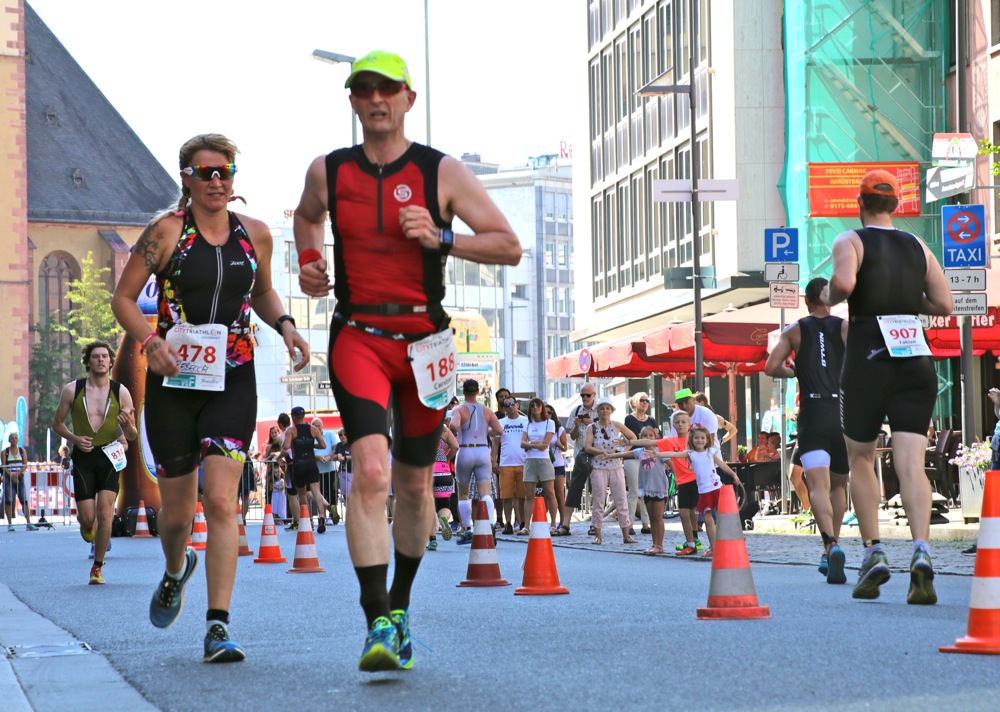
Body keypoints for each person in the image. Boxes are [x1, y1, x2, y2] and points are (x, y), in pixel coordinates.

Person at [292, 49, 521, 672]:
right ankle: (376, 621)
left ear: (408, 99)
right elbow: (307, 220)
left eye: (386, 89)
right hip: (359, 334)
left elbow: (509, 246)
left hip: (424, 343)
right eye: (363, 89)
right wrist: (312, 266)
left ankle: (400, 606)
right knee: (370, 470)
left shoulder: (440, 172)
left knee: (415, 484)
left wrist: (444, 237)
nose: (375, 99)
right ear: (352, 101)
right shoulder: (328, 170)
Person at [111, 133, 310, 662]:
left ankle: (217, 625)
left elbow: (263, 292)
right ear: (187, 178)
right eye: (206, 172)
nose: (217, 181)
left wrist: (287, 326)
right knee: (176, 518)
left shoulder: (256, 235)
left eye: (225, 171)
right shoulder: (166, 234)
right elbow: (123, 299)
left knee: (222, 501)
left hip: (234, 378)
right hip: (176, 382)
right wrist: (151, 342)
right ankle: (176, 570)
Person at [827, 168, 952, 604]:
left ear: (860, 204)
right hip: (915, 358)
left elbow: (843, 284)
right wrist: (900, 299)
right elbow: (944, 303)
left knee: (860, 457)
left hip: (868, 357)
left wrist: (829, 295)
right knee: (911, 464)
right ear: (896, 205)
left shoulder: (850, 241)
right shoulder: (919, 246)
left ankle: (874, 552)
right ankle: (921, 551)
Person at [765, 276, 851, 584]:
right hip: (841, 412)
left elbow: (770, 367)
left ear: (807, 301)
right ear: (831, 301)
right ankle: (834, 545)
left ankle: (828, 544)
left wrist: (794, 371)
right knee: (839, 486)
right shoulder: (844, 327)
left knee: (816, 484)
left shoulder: (795, 330)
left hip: (812, 413)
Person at [51, 341, 137, 581]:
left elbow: (132, 436)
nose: (101, 360)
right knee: (88, 518)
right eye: (96, 356)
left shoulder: (121, 392)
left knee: (105, 512)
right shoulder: (72, 389)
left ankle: (97, 567)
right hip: (84, 456)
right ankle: (87, 527)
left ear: (110, 362)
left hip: (110, 455)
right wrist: (74, 438)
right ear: (88, 361)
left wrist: (128, 426)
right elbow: (56, 423)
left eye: (105, 357)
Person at [449, 379, 503, 545]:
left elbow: (454, 426)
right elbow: (499, 430)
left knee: (463, 492)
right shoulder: (487, 410)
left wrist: (457, 433)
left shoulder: (459, 409)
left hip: (465, 449)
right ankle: (490, 525)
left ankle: (467, 529)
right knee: (485, 492)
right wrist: (484, 431)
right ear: (478, 392)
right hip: (482, 450)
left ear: (464, 392)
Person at [584, 397, 638, 545]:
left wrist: (622, 451)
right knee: (598, 501)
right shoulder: (592, 427)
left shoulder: (617, 425)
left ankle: (626, 535)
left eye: (607, 408)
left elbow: (633, 438)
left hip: (616, 467)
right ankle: (598, 535)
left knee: (621, 500)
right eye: (602, 408)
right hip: (598, 467)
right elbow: (587, 446)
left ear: (612, 411)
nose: (605, 411)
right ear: (598, 411)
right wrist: (600, 451)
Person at [684, 425, 741, 558]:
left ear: (707, 440)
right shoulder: (690, 454)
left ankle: (734, 542)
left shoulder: (710, 452)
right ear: (692, 439)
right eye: (697, 438)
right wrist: (657, 454)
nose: (700, 440)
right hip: (704, 492)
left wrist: (734, 475)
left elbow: (722, 464)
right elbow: (673, 454)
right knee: (708, 520)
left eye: (703, 438)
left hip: (716, 488)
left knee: (725, 517)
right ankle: (714, 547)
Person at [281, 407, 329, 533]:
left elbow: (286, 446)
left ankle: (307, 521)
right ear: (303, 417)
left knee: (302, 494)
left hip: (299, 464)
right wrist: (311, 444)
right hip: (311, 463)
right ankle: (322, 516)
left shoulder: (291, 430)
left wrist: (292, 442)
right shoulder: (313, 429)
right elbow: (323, 445)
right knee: (316, 492)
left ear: (293, 417)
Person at [560, 383, 599, 536]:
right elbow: (573, 436)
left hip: (596, 454)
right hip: (580, 454)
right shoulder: (576, 411)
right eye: (582, 395)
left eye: (587, 395)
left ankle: (595, 524)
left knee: (597, 489)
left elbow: (607, 431)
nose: (584, 398)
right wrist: (577, 425)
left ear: (594, 395)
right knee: (575, 488)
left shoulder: (601, 409)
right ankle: (566, 524)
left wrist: (593, 424)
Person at [520, 397, 558, 531]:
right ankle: (526, 526)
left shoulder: (549, 423)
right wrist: (535, 444)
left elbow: (545, 445)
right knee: (529, 495)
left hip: (544, 460)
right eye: (532, 405)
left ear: (542, 407)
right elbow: (522, 443)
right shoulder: (527, 424)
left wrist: (530, 444)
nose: (535, 407)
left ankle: (553, 524)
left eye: (538, 405)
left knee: (550, 493)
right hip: (530, 460)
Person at [622, 392, 657, 534]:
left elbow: (656, 438)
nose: (645, 402)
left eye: (647, 400)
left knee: (647, 490)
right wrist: (622, 454)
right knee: (634, 491)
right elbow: (631, 438)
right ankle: (629, 524)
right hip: (633, 456)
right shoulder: (629, 419)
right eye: (642, 400)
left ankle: (646, 524)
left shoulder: (652, 420)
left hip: (648, 456)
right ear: (634, 403)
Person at [494, 398, 528, 534]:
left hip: (523, 462)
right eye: (506, 405)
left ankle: (523, 522)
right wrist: (493, 461)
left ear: (517, 405)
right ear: (503, 408)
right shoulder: (500, 423)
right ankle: (508, 523)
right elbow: (495, 443)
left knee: (522, 496)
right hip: (506, 463)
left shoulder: (525, 421)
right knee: (506, 496)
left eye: (512, 404)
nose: (509, 407)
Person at [426, 426, 459, 550]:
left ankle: (433, 541)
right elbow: (455, 446)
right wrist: (446, 459)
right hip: (444, 472)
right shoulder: (443, 428)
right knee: (444, 506)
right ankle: (443, 518)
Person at [2, 432, 39, 533]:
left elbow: (25, 465)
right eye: (12, 438)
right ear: (9, 440)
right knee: (9, 500)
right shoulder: (5, 452)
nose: (14, 440)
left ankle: (29, 523)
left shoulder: (22, 451)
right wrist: (11, 475)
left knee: (24, 500)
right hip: (8, 479)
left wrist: (17, 474)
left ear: (18, 440)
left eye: (16, 438)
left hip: (19, 478)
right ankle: (10, 524)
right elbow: (4, 466)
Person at [546, 403, 571, 536]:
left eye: (550, 412)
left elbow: (565, 448)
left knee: (559, 493)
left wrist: (559, 444)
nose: (547, 414)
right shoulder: (539, 426)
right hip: (544, 463)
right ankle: (550, 522)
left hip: (557, 463)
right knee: (546, 494)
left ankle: (563, 522)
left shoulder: (559, 429)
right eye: (545, 412)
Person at [313, 417, 340, 526]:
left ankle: (332, 515)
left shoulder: (329, 434)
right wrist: (319, 457)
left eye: (318, 425)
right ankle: (323, 515)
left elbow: (335, 448)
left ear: (322, 426)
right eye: (314, 426)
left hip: (331, 468)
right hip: (318, 470)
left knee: (332, 492)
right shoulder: (311, 437)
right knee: (321, 493)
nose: (317, 428)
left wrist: (329, 457)